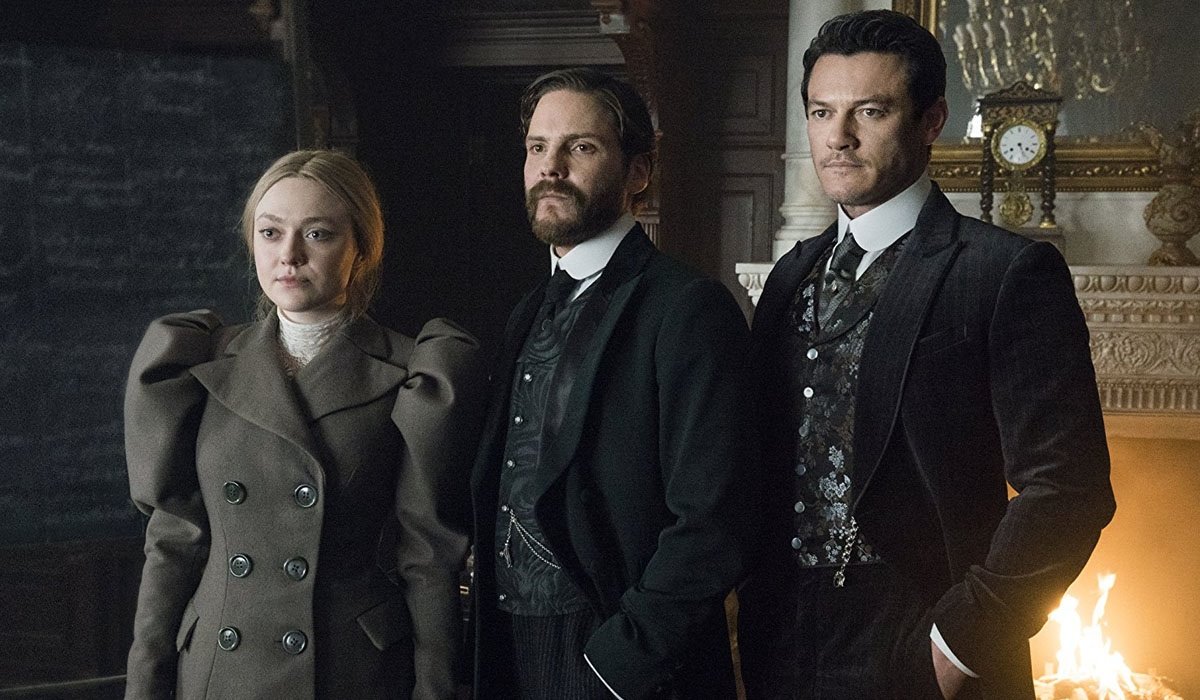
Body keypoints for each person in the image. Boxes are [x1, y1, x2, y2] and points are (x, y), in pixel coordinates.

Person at [737, 10, 1115, 700]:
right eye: (821, 112)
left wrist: (957, 645)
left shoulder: (1004, 271)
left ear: (931, 119)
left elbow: (1069, 487)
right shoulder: (791, 274)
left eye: (870, 111)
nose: (838, 136)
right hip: (780, 637)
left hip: (921, 636)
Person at [123, 150, 483, 699]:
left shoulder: (413, 374)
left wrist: (435, 690)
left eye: (317, 234)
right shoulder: (199, 363)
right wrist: (144, 688)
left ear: (361, 248)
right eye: (270, 233)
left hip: (349, 672)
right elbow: (174, 542)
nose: (289, 255)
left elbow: (427, 556)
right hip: (220, 671)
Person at [469, 67, 758, 699]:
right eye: (537, 148)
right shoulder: (527, 310)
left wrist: (622, 660)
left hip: (619, 657)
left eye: (580, 147)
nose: (551, 168)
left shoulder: (687, 307)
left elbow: (716, 516)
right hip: (509, 647)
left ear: (638, 172)